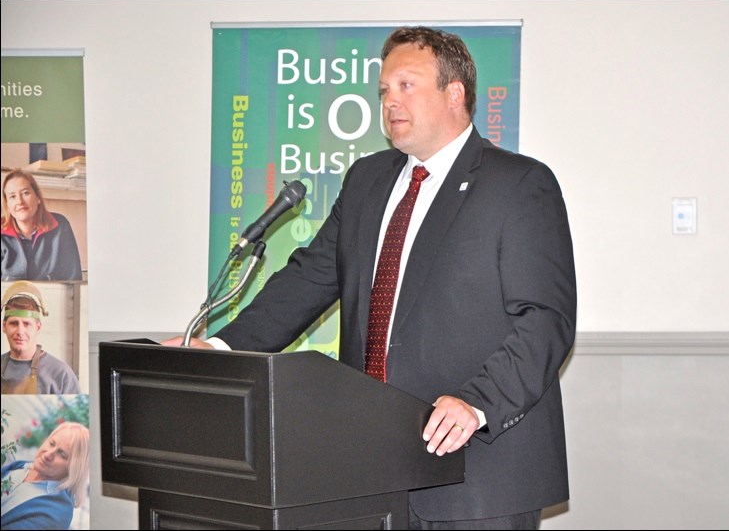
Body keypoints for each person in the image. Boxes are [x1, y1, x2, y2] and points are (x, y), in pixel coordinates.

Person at [165, 26, 576, 529]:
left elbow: (546, 320)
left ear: (455, 94)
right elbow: (307, 280)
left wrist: (477, 402)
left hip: (479, 474)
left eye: (406, 86)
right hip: (372, 468)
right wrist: (222, 349)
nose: (389, 102)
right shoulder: (368, 180)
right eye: (383, 90)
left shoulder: (518, 184)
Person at [1, 421, 90, 530]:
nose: (48, 454)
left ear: (73, 468)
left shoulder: (55, 511)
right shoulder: (21, 466)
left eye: (62, 454)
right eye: (51, 443)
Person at [1, 169, 82, 281]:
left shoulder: (60, 226)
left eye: (26, 193)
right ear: (8, 206)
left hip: (52, 298)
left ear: (38, 198)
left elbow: (73, 280)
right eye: (12, 196)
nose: (20, 201)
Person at [1, 281, 81, 395]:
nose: (20, 331)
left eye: (27, 324)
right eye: (14, 323)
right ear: (4, 326)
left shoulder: (61, 374)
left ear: (38, 327)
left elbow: (74, 412)